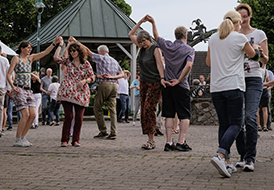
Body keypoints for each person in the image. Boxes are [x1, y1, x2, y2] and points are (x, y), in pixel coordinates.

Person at [206, 11, 259, 178]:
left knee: (224, 124)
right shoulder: (239, 38)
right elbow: (254, 56)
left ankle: (228, 163)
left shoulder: (213, 38)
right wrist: (256, 49)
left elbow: (208, 62)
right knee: (236, 124)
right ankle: (220, 155)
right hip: (234, 86)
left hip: (216, 87)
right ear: (237, 24)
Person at [145, 14, 195, 152]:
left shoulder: (167, 45)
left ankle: (168, 143)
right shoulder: (189, 50)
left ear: (175, 35)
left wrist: (153, 23)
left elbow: (156, 37)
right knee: (184, 115)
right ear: (185, 36)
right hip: (181, 86)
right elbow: (189, 66)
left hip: (167, 85)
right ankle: (181, 141)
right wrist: (179, 79)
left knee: (169, 114)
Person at [7, 37, 61, 147]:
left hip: (29, 90)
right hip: (19, 88)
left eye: (30, 48)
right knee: (25, 114)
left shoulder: (30, 58)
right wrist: (13, 87)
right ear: (22, 48)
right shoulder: (16, 59)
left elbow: (45, 53)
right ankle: (17, 139)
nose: (30, 50)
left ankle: (23, 137)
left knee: (33, 115)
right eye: (28, 48)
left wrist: (54, 44)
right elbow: (8, 74)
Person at [235, 3, 269, 172]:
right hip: (237, 79)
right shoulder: (233, 35)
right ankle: (242, 155)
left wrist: (261, 55)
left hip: (254, 78)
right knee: (238, 121)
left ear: (250, 16)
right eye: (240, 16)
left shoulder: (259, 34)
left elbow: (265, 61)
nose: (243, 19)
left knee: (250, 117)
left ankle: (250, 158)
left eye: (245, 16)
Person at [73, 37, 124, 140]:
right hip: (114, 86)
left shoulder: (101, 58)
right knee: (113, 110)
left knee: (97, 107)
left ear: (100, 52)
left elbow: (87, 51)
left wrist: (76, 42)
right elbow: (122, 74)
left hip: (104, 85)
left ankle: (103, 131)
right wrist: (113, 77)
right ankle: (113, 133)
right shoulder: (114, 60)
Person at [129, 18, 166, 150]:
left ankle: (152, 140)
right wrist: (140, 23)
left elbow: (159, 64)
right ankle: (149, 138)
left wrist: (162, 78)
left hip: (155, 83)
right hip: (144, 82)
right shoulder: (142, 48)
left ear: (148, 39)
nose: (142, 44)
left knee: (149, 109)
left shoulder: (155, 49)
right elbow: (131, 35)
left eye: (143, 41)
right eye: (140, 42)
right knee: (144, 111)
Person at [54, 38, 94, 147]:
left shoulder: (86, 63)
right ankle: (64, 139)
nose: (73, 52)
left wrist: (85, 80)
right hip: (67, 91)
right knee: (69, 116)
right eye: (71, 51)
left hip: (81, 92)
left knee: (79, 117)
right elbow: (57, 58)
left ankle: (76, 140)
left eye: (75, 50)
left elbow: (92, 77)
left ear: (79, 51)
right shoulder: (68, 61)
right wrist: (62, 45)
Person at [257, 63, 271, 132]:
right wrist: (268, 88)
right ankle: (265, 126)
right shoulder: (265, 71)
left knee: (257, 109)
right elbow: (269, 82)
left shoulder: (256, 71)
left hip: (257, 90)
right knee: (265, 109)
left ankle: (258, 125)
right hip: (264, 89)